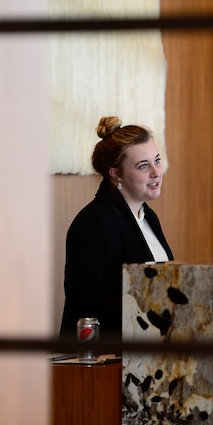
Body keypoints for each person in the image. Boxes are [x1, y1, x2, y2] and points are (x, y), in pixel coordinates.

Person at [59, 116, 173, 343]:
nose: (156, 172)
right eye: (143, 166)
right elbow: (87, 301)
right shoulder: (95, 222)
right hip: (102, 360)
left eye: (157, 161)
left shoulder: (148, 216)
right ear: (115, 174)